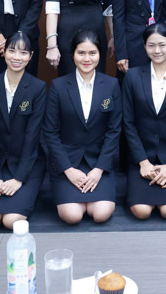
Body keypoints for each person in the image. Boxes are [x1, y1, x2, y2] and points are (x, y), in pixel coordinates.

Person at [42, 30, 121, 224]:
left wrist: (99, 169)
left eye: (92, 53)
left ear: (100, 54)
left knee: (101, 214)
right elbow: (50, 133)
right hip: (67, 161)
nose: (87, 59)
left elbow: (114, 131)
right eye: (81, 53)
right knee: (72, 215)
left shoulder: (111, 85)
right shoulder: (58, 86)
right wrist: (68, 169)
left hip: (98, 161)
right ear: (73, 55)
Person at [122, 22, 166, 220]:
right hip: (142, 156)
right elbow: (128, 123)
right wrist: (142, 162)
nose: (157, 50)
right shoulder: (132, 76)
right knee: (141, 211)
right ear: (144, 46)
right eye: (151, 45)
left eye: (162, 45)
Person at [0, 32, 46, 230]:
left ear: (31, 56)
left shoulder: (38, 88)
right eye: (12, 51)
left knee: (12, 221)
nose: (17, 57)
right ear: (4, 53)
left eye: (23, 53)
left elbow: (33, 136)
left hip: (27, 164)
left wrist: (19, 178)